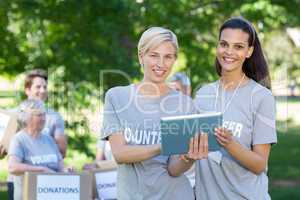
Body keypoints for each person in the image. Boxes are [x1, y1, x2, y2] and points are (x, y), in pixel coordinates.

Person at [100, 27, 208, 200]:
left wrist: (188, 157)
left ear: (174, 60)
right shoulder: (117, 97)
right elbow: (120, 154)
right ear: (140, 57)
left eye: (168, 57)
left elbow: (174, 169)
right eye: (154, 55)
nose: (161, 63)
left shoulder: (185, 104)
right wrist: (165, 145)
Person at [192, 17, 277, 199]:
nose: (229, 52)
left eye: (238, 46)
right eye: (224, 44)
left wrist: (230, 144)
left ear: (249, 51)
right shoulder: (202, 94)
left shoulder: (262, 97)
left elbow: (259, 164)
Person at [8, 99, 64, 200]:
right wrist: (41, 170)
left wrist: (66, 170)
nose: (43, 119)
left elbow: (60, 166)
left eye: (44, 114)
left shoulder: (49, 139)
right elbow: (13, 167)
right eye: (39, 115)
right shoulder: (19, 139)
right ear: (27, 118)